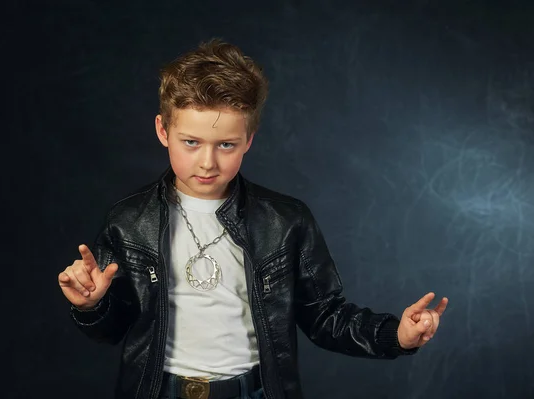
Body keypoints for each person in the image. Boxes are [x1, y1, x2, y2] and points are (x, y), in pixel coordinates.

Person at [58, 38, 448, 399]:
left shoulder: (285, 220)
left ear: (249, 139)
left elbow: (325, 316)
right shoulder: (128, 221)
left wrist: (396, 335)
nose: (207, 162)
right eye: (190, 142)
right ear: (163, 130)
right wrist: (92, 305)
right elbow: (115, 329)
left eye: (226, 144)